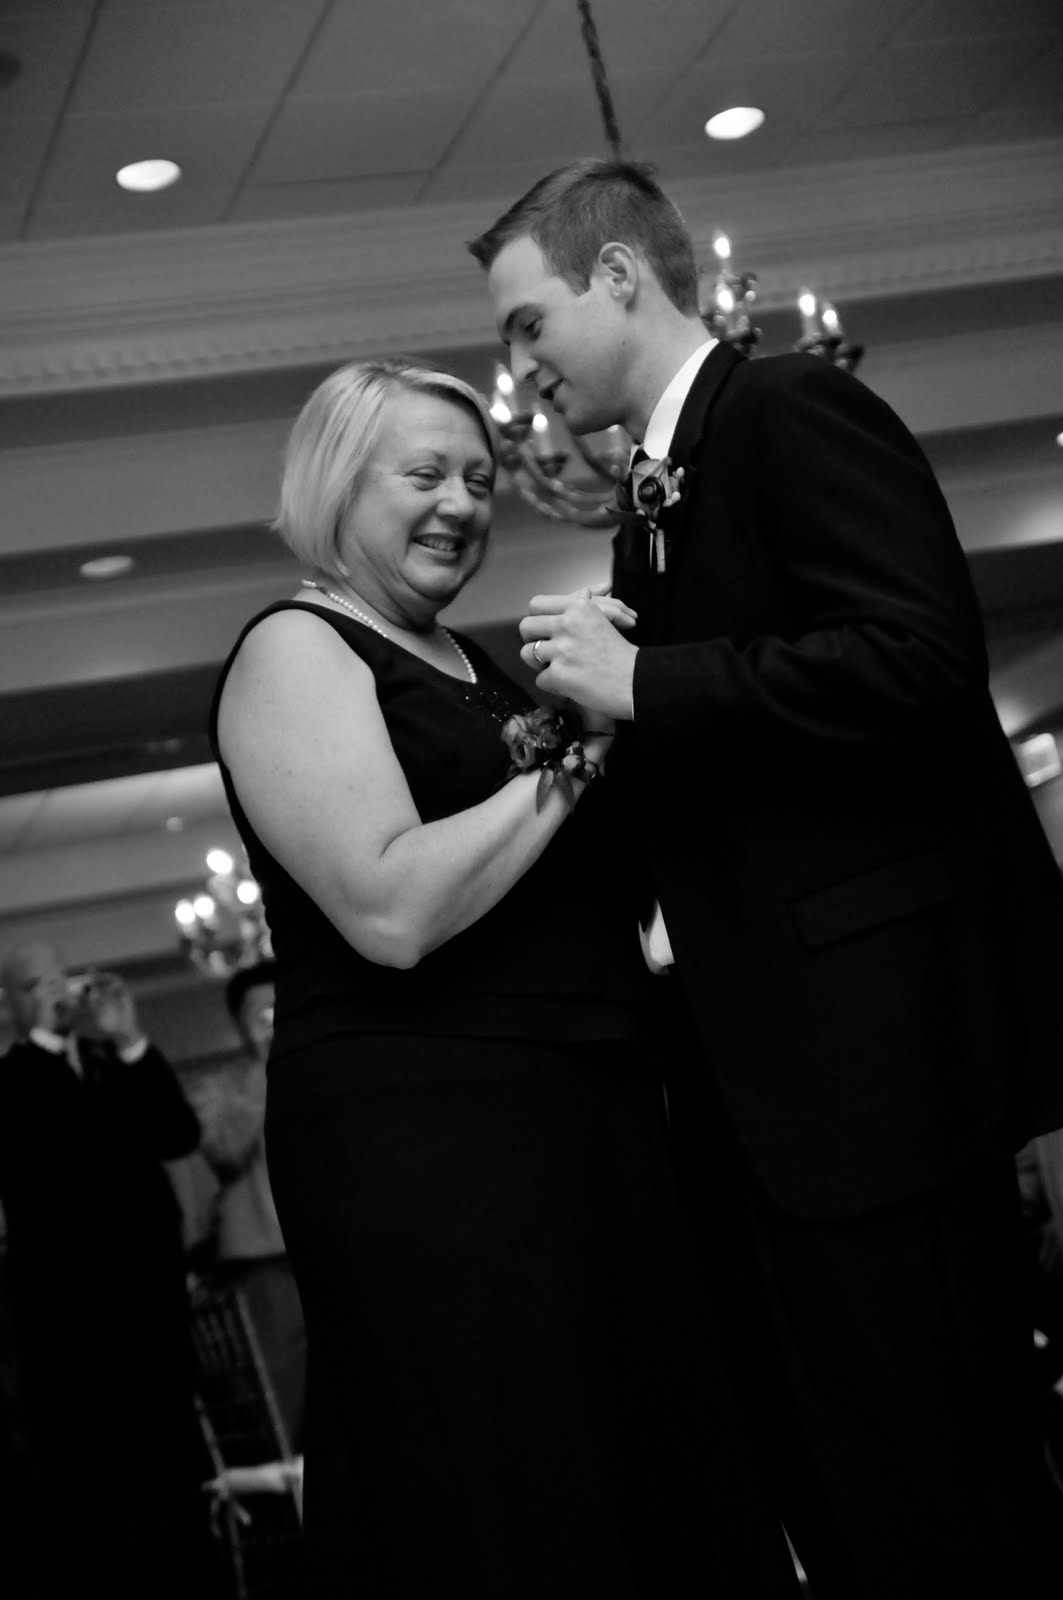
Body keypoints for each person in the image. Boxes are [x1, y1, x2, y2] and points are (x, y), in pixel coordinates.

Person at [471, 157, 1063, 1598]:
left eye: (527, 324)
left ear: (618, 276)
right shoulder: (646, 500)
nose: (521, 370)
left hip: (870, 1073)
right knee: (849, 1495)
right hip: (760, 1087)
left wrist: (647, 683)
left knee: (948, 1484)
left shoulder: (788, 408)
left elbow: (919, 658)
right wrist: (595, 729)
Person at [210, 356, 799, 1596]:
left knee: (648, 1467)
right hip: (433, 1137)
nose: (463, 504)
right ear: (336, 483)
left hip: (583, 1114)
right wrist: (579, 747)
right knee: (511, 1482)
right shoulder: (296, 648)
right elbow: (390, 910)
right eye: (425, 474)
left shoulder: (472, 666)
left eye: (480, 480)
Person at [0, 942, 203, 1599]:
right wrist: (47, 1044)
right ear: (12, 1003)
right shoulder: (12, 1081)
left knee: (169, 1460)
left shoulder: (113, 1062)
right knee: (90, 1477)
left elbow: (178, 1135)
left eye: (61, 977)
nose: (57, 992)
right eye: (38, 984)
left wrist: (129, 1038)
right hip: (71, 1326)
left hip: (152, 1305)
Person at [190, 959, 306, 1450]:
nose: (274, 1021)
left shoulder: (325, 1070)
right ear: (240, 1025)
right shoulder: (220, 1091)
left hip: (338, 1252)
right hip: (266, 1266)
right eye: (261, 1014)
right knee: (285, 1398)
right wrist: (268, 1068)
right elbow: (224, 1149)